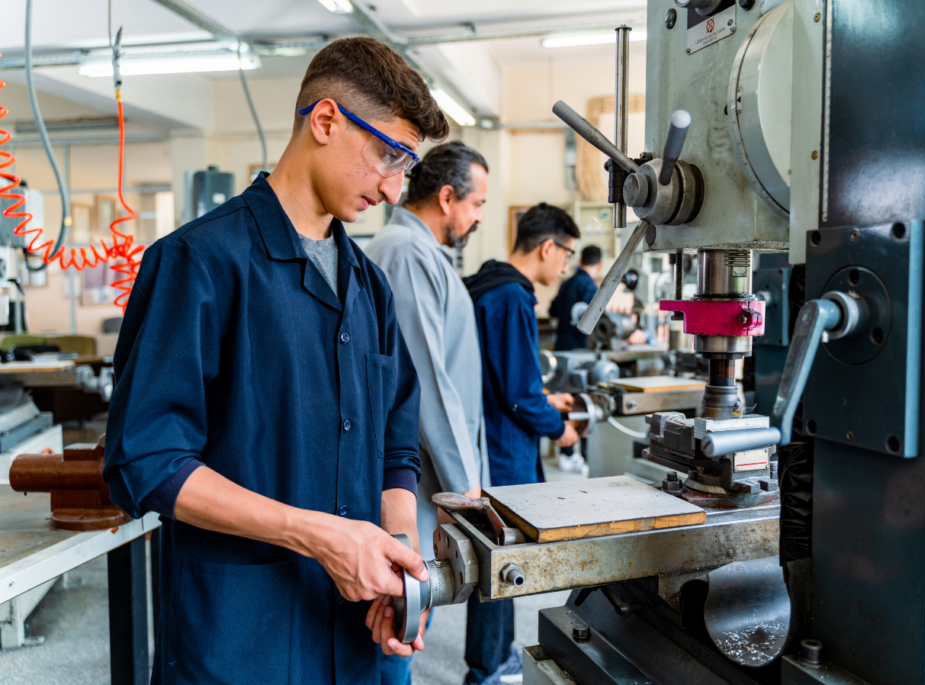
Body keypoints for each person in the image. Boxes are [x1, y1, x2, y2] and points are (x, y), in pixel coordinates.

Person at [103, 37, 451, 684]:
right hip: (241, 640)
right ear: (325, 121)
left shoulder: (369, 288)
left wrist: (397, 557)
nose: (396, 188)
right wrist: (320, 536)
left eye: (407, 166)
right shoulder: (198, 263)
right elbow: (145, 460)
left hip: (358, 644)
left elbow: (396, 450)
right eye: (388, 156)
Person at [364, 141, 490, 685]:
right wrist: (463, 495)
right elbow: (424, 385)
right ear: (446, 197)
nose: (478, 216)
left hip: (423, 475)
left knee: (406, 615)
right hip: (411, 479)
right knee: (398, 617)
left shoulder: (419, 252)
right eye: (477, 203)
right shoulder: (404, 251)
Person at [461, 202, 581, 685]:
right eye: (566, 254)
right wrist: (560, 427)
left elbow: (499, 378)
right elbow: (517, 395)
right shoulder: (512, 296)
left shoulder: (485, 285)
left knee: (491, 558)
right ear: (548, 246)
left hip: (484, 436)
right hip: (503, 451)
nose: (566, 266)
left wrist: (544, 396)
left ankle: (495, 657)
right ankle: (489, 667)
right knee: (500, 561)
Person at [549, 244, 602, 350]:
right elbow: (595, 320)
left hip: (561, 345)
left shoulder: (566, 284)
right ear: (600, 265)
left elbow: (552, 311)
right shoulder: (589, 287)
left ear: (579, 261)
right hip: (579, 347)